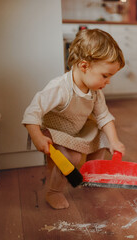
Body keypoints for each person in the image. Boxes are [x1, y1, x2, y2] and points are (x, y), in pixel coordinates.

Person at [22, 28, 126, 209]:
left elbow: (103, 116)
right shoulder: (60, 88)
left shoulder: (95, 91)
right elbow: (32, 112)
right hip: (56, 132)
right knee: (73, 157)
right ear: (84, 66)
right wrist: (37, 136)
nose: (107, 81)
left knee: (102, 139)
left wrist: (114, 141)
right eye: (105, 76)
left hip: (78, 129)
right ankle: (54, 192)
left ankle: (90, 177)